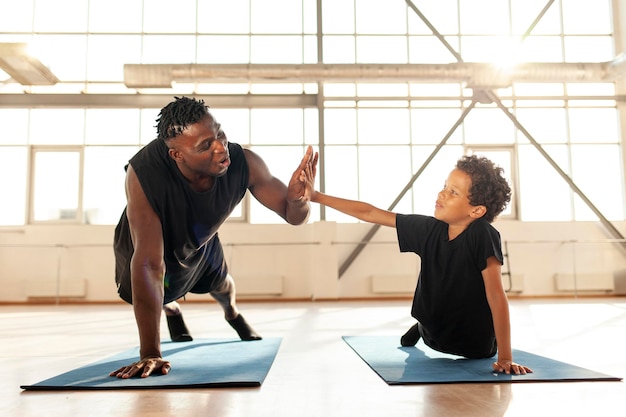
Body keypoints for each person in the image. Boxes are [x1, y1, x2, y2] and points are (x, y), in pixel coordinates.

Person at [110, 96, 317, 379]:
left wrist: (298, 201)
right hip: (146, 245)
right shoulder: (144, 173)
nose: (221, 148)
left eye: (219, 134)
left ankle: (232, 314)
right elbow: (149, 264)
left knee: (223, 286)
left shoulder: (245, 162)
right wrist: (150, 353)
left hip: (200, 240)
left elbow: (295, 216)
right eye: (205, 145)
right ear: (177, 155)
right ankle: (171, 308)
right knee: (159, 288)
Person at [303, 152, 532, 375]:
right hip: (434, 335)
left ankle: (421, 327)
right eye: (445, 186)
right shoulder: (430, 229)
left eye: (453, 192)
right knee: (428, 320)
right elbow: (371, 213)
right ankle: (421, 328)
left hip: (474, 346)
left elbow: (496, 296)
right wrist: (316, 196)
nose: (442, 194)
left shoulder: (482, 234)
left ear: (476, 210)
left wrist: (505, 358)